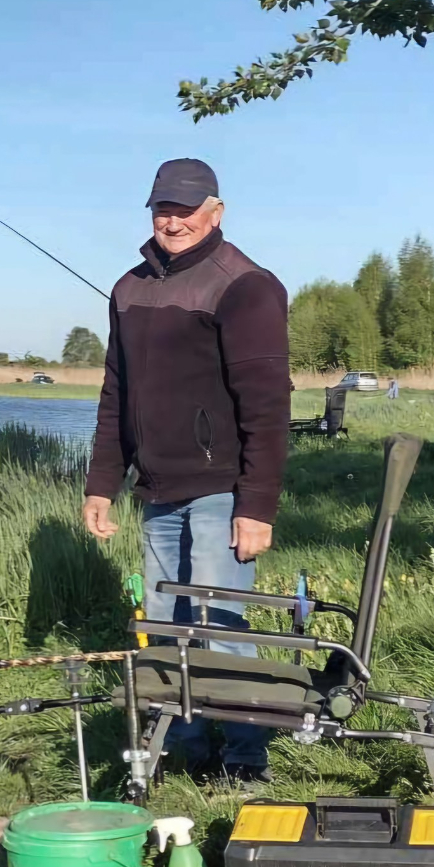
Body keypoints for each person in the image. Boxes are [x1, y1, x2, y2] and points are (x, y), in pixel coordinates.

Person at [82, 157, 290, 783]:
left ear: (215, 211)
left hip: (221, 490)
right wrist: (102, 483)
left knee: (220, 627)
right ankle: (188, 745)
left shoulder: (246, 286)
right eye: (162, 208)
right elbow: (116, 392)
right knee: (167, 630)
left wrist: (257, 504)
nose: (172, 220)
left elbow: (267, 404)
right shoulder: (129, 287)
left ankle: (247, 757)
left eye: (185, 208)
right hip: (157, 490)